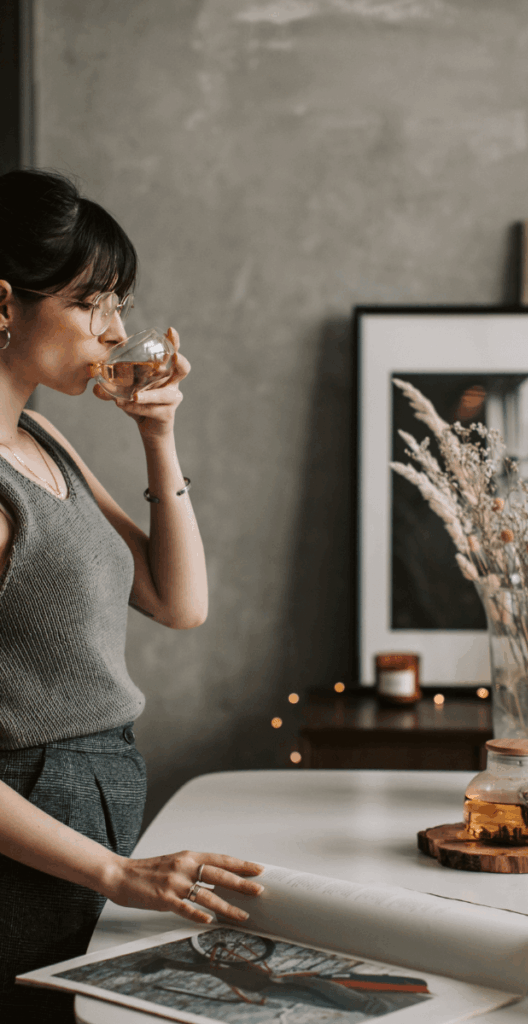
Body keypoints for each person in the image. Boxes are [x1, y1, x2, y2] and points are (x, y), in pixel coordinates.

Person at [0, 168, 264, 1021]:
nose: (116, 331)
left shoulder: (40, 437)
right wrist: (114, 872)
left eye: (121, 304)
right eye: (92, 304)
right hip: (30, 837)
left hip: (88, 814)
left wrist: (159, 430)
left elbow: (177, 601)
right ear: (3, 304)